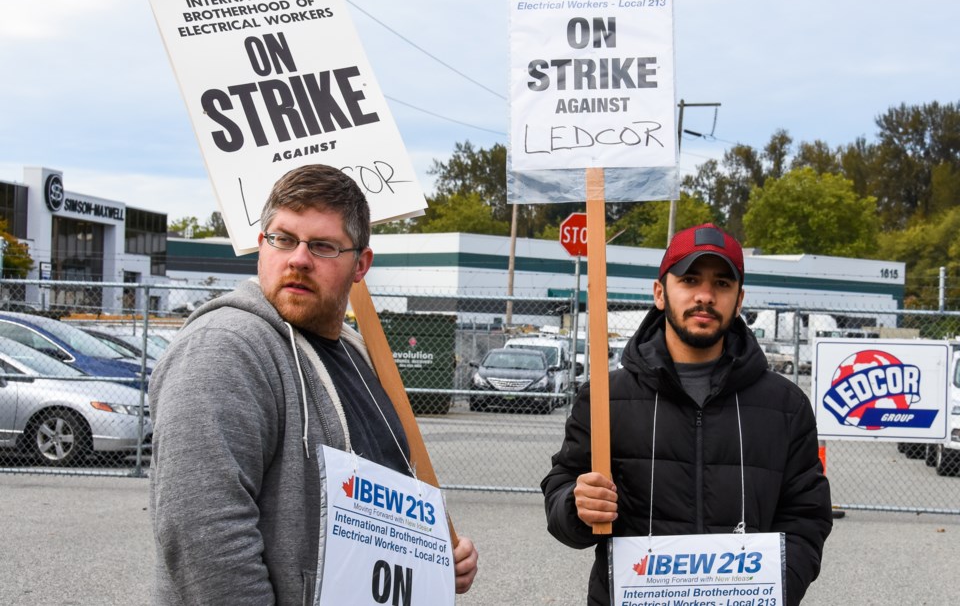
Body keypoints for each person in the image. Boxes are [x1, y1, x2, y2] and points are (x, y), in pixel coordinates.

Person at [149, 165, 478, 604]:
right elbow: (204, 534)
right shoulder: (225, 348)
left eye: (323, 246)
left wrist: (430, 559)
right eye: (283, 239)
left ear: (360, 265)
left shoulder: (360, 355)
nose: (299, 259)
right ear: (262, 245)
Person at [542, 223, 831, 606]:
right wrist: (577, 507)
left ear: (739, 300)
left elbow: (806, 517)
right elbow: (562, 486)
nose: (705, 296)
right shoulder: (605, 397)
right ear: (660, 293)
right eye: (690, 280)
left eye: (722, 284)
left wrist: (773, 590)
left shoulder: (786, 405)